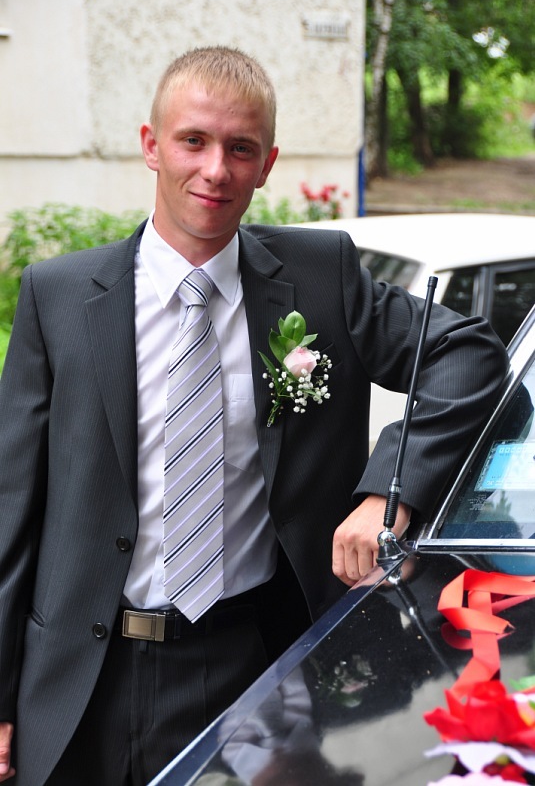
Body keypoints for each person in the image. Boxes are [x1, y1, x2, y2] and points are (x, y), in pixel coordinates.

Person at [0, 46, 508, 786]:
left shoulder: (320, 278)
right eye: (193, 141)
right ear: (151, 145)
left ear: (266, 164)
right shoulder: (59, 296)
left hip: (249, 669)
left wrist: (387, 494)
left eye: (240, 149)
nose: (215, 170)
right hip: (79, 674)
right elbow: (11, 508)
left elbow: (467, 354)